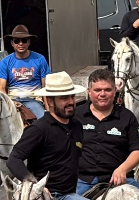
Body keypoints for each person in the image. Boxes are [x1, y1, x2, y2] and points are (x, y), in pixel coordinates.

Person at [7, 72, 88, 200]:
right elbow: (13, 160)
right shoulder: (39, 129)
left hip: (72, 191)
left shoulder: (77, 125)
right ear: (50, 101)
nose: (71, 102)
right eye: (64, 98)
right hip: (46, 195)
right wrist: (34, 185)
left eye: (72, 97)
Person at [75, 70, 139, 195]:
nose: (103, 94)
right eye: (97, 90)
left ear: (115, 90)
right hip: (82, 180)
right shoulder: (76, 115)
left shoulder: (127, 117)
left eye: (107, 90)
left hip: (121, 180)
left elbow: (138, 150)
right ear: (89, 91)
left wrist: (122, 169)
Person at [0, 25, 51, 119]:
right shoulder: (5, 62)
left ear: (29, 42)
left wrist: (48, 109)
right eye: (16, 41)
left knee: (43, 121)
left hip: (34, 100)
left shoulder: (40, 59)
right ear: (12, 43)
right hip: (13, 100)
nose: (20, 43)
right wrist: (9, 103)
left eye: (24, 40)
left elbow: (46, 86)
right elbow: (1, 88)